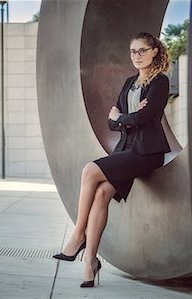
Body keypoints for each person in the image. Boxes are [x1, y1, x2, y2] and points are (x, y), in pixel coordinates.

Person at [53, 32, 171, 288]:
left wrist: (122, 117)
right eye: (133, 51)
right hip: (125, 151)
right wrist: (124, 118)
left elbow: (144, 118)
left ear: (154, 52)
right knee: (101, 193)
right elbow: (111, 121)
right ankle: (90, 261)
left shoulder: (160, 82)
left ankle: (77, 236)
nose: (137, 56)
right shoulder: (130, 83)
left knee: (90, 171)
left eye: (142, 50)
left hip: (147, 152)